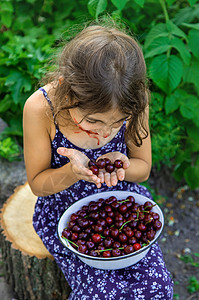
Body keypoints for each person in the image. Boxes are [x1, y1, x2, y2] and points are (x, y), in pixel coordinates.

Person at [23, 22, 173, 299]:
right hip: (62, 212)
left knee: (159, 287)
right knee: (99, 293)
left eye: (118, 123)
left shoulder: (136, 101)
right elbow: (37, 184)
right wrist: (72, 171)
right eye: (93, 120)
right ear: (67, 92)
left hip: (121, 201)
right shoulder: (40, 108)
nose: (105, 132)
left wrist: (123, 164)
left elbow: (142, 170)